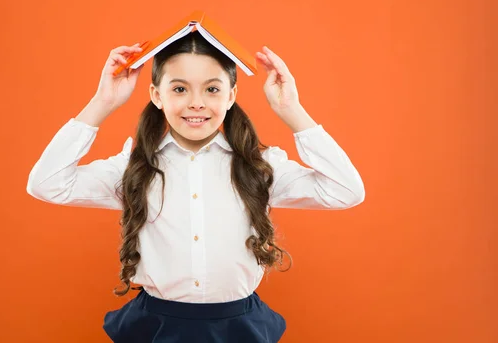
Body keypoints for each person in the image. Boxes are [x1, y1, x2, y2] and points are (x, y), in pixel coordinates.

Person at [26, 31, 365, 342]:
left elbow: (345, 191)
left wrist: (291, 111)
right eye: (179, 88)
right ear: (157, 96)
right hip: (158, 326)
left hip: (239, 327)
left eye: (212, 89)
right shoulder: (133, 168)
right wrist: (103, 102)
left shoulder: (259, 167)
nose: (196, 103)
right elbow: (47, 184)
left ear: (231, 95)